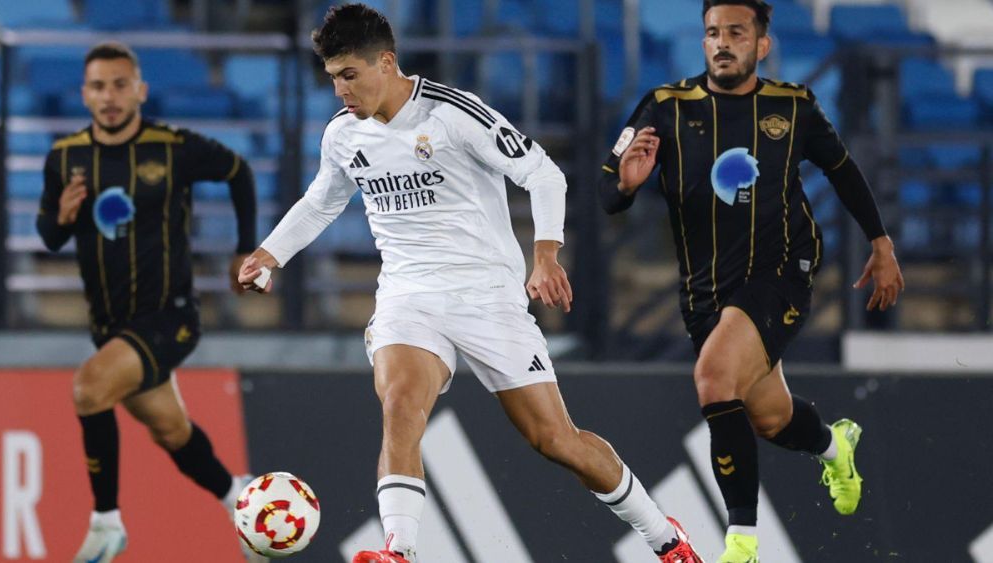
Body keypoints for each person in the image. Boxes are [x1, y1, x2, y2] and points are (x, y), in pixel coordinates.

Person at [238, 4, 703, 563]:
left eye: (349, 75)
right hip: (409, 295)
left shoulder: (453, 113)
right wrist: (270, 253)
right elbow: (324, 200)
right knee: (401, 403)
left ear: (385, 62)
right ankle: (399, 550)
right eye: (333, 77)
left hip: (488, 296)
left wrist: (546, 255)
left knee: (556, 441)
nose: (339, 90)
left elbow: (542, 172)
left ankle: (666, 539)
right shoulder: (343, 135)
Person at [598, 0, 905, 561]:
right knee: (768, 416)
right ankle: (835, 444)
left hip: (783, 272)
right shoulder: (663, 107)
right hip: (706, 292)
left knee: (714, 379)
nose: (722, 43)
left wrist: (881, 244)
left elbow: (844, 171)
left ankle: (741, 543)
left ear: (761, 44)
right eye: (712, 32)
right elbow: (604, 193)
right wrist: (625, 185)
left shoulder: (794, 107)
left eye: (736, 32)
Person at [36, 42, 264, 563]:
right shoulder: (64, 157)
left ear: (139, 90)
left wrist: (243, 248)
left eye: (120, 85)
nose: (109, 96)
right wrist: (62, 219)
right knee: (170, 430)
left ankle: (106, 523)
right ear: (84, 94)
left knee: (89, 387)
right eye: (98, 86)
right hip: (111, 328)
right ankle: (241, 501)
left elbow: (238, 171)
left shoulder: (173, 147)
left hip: (171, 319)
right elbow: (48, 235)